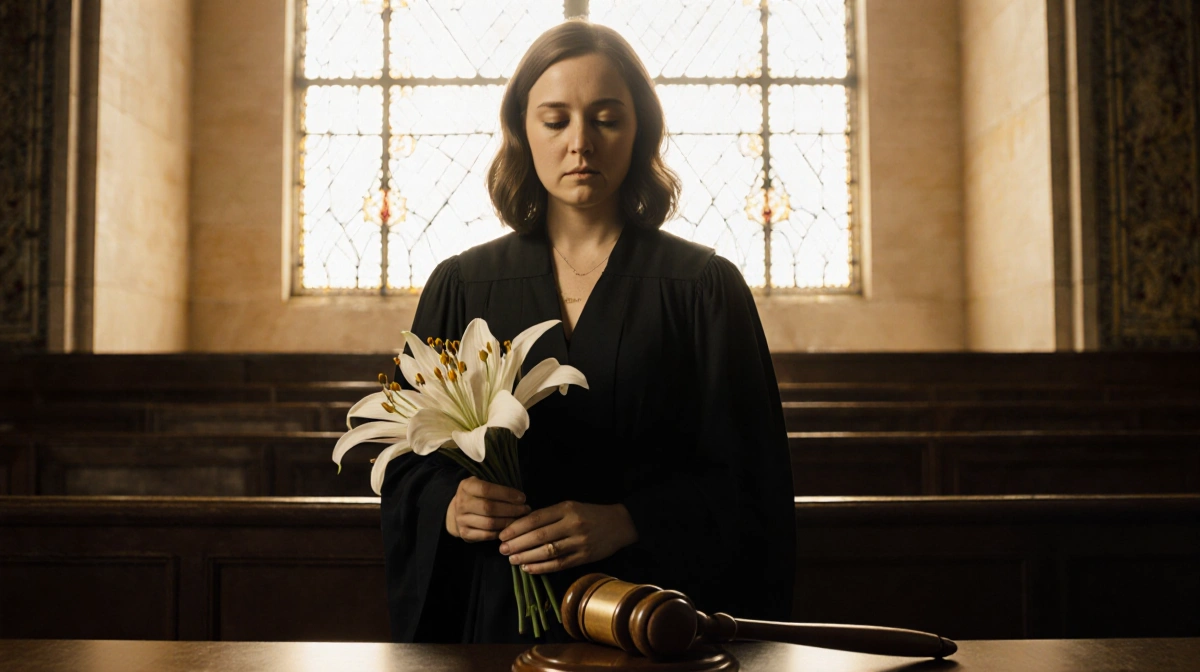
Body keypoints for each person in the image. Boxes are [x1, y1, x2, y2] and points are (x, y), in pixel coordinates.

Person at [381, 19, 795, 644]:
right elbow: (410, 462)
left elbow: (750, 480)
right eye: (556, 120)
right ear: (523, 129)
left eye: (606, 118)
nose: (581, 143)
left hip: (654, 613)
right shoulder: (463, 285)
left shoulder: (703, 288)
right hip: (498, 614)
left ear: (639, 131)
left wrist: (629, 521)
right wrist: (452, 502)